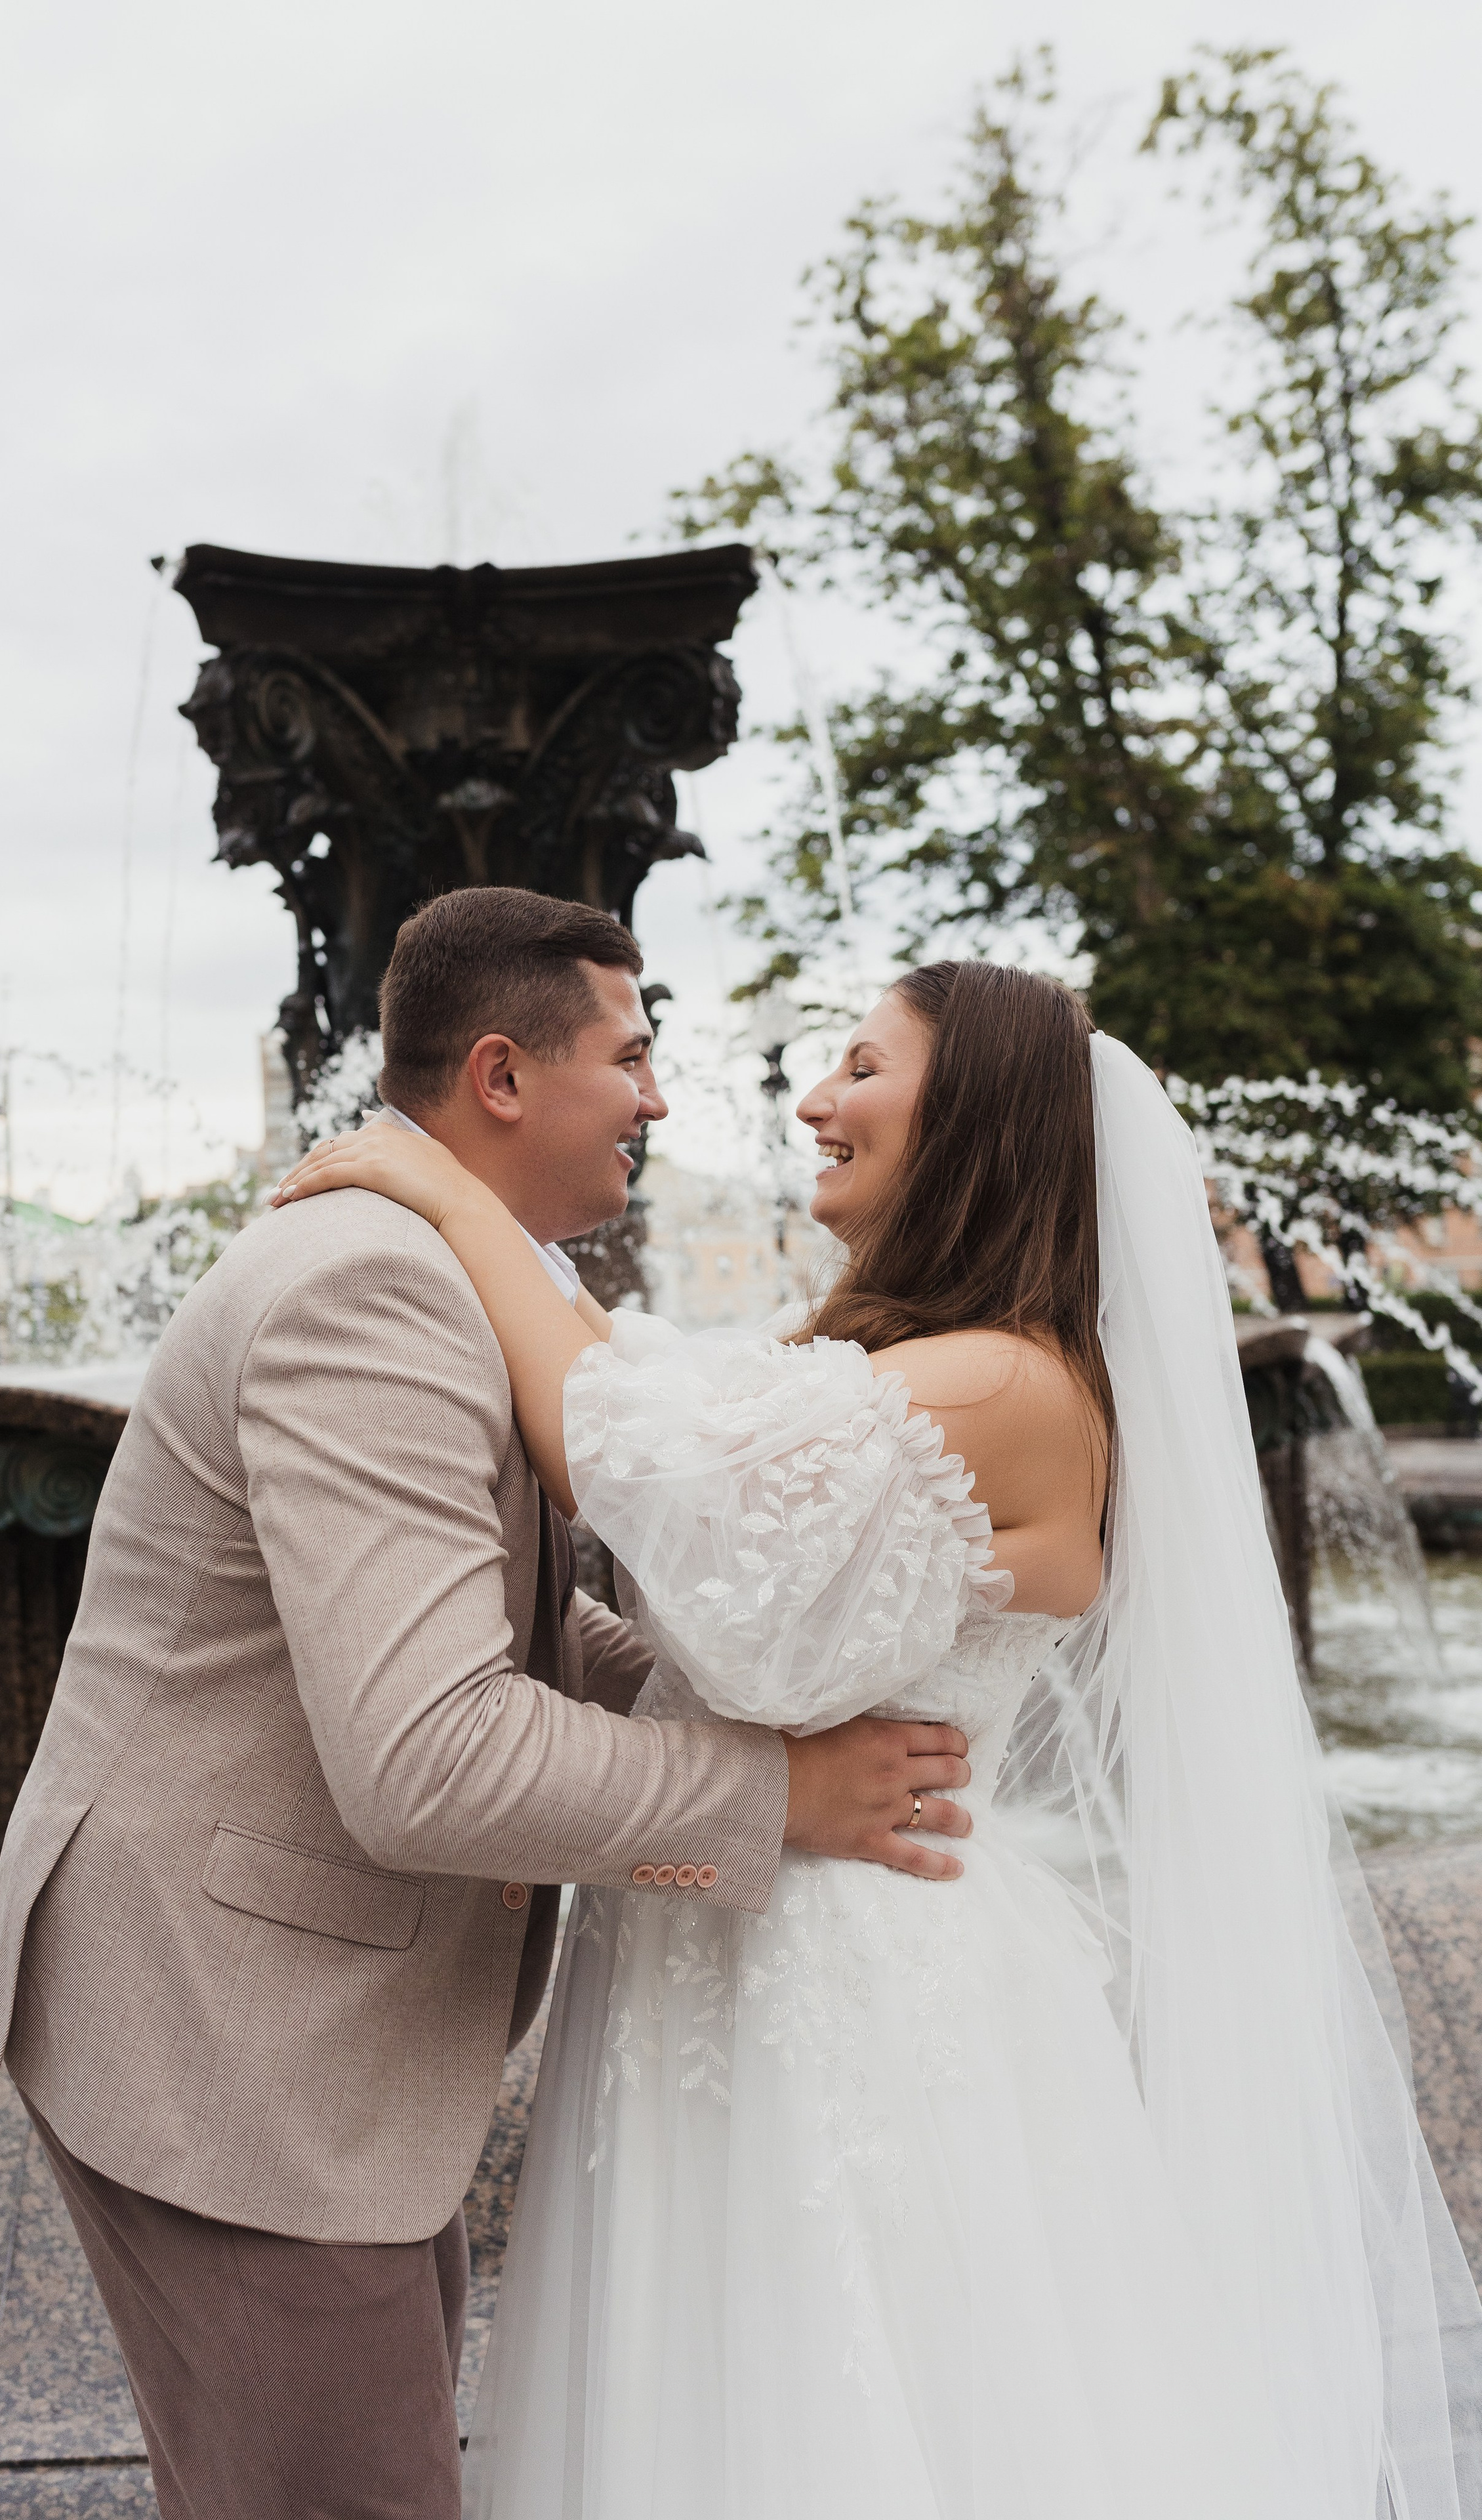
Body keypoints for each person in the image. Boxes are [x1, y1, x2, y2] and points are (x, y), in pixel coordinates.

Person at [274, 958, 1482, 2519]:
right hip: (756, 1938)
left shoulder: (998, 1383)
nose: (811, 1100)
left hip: (847, 1989)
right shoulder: (918, 1358)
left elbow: (631, 1458)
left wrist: (444, 1194)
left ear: (967, 1118)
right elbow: (663, 1421)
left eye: (858, 1067)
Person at [0, 889, 976, 2520]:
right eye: (632, 1057)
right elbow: (430, 1758)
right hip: (229, 2043)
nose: (659, 1099)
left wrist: (730, 1702)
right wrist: (774, 1798)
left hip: (294, 2023)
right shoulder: (373, 1290)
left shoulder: (440, 1265)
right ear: (501, 1079)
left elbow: (510, 1613)